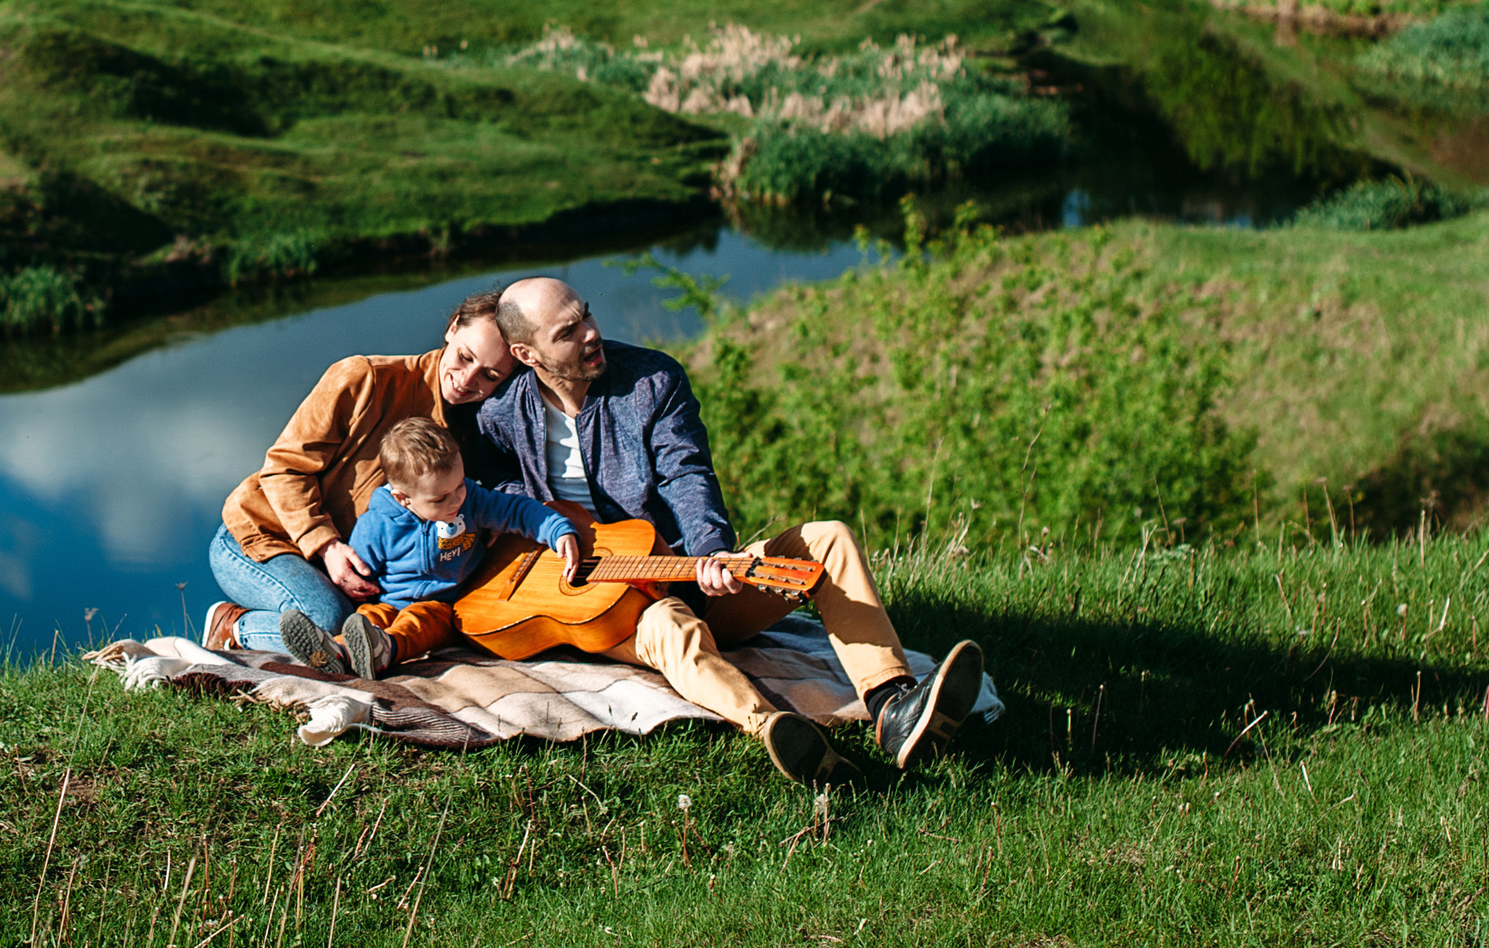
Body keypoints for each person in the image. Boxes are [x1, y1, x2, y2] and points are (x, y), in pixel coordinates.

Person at [468, 275, 985, 784]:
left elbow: (685, 472)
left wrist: (712, 552)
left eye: (586, 315)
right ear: (527, 354)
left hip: (684, 569)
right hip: (609, 606)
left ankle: (893, 705)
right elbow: (490, 481)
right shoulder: (501, 412)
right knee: (670, 627)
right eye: (566, 332)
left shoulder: (651, 381)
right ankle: (780, 731)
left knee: (828, 539)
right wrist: (546, 522)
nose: (589, 334)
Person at [202, 290, 518, 655]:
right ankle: (233, 626)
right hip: (261, 537)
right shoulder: (364, 378)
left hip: (349, 570)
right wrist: (328, 546)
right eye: (465, 357)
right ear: (451, 328)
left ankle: (338, 650)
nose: (467, 379)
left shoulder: (474, 427)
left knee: (383, 628)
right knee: (327, 621)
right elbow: (283, 468)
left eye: (490, 375)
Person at [277, 416, 583, 678]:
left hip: (444, 603)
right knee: (368, 618)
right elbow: (361, 570)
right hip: (390, 600)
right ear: (402, 498)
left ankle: (386, 651)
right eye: (440, 498)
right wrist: (358, 588)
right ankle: (335, 653)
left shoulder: (473, 501)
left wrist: (558, 531)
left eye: (460, 485)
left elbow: (518, 511)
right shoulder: (378, 524)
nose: (455, 500)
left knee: (421, 623)